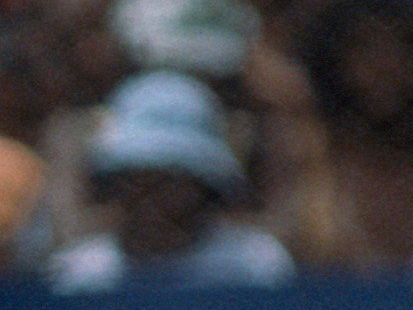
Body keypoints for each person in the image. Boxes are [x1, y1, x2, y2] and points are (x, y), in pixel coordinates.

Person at [45, 73, 295, 288]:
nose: (153, 198)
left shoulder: (255, 267)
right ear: (116, 182)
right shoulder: (78, 275)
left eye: (171, 181)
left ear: (204, 185)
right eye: (140, 179)